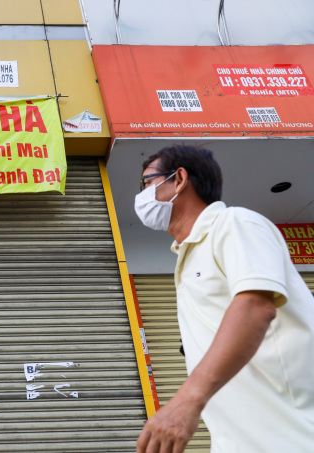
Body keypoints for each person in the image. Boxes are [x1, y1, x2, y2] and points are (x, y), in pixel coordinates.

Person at [134, 145, 314, 453]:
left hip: (290, 437)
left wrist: (185, 403)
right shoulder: (187, 257)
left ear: (179, 179)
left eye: (147, 183)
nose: (142, 196)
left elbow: (256, 306)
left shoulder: (234, 224)